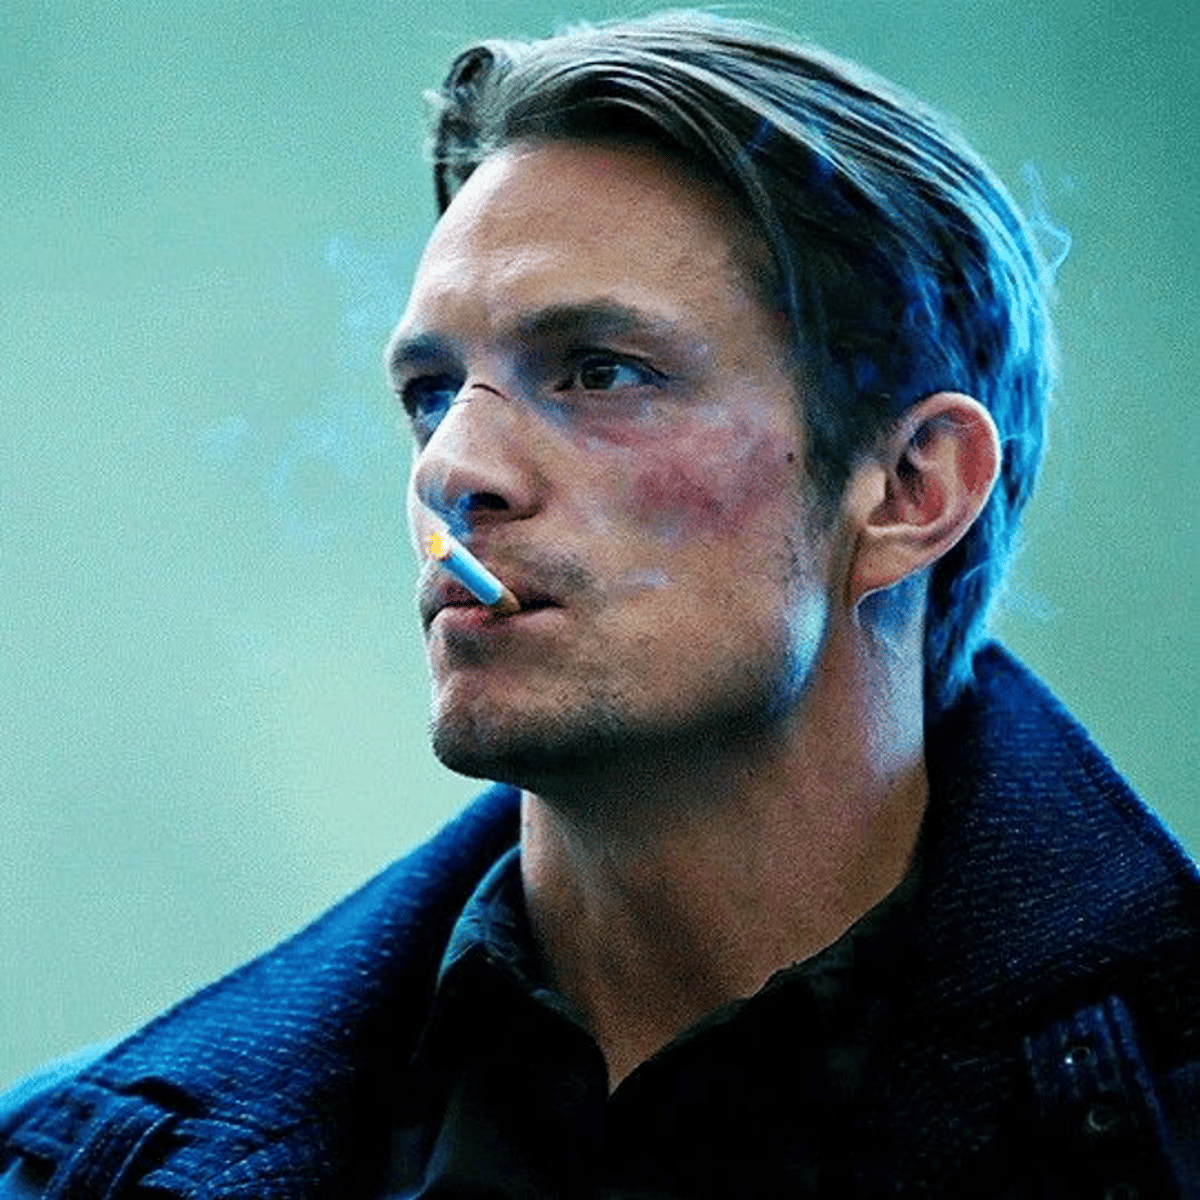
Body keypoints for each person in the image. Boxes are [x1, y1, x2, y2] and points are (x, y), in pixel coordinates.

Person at [2, 11, 1197, 1198]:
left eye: (598, 372)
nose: (451, 470)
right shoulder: (69, 1168)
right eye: (432, 393)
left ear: (910, 490)